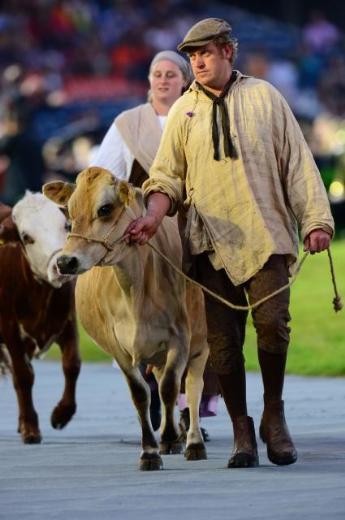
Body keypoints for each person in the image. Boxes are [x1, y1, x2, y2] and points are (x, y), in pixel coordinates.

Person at [125, 18, 334, 468]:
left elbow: (298, 162)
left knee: (274, 324)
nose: (197, 61)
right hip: (207, 244)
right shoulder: (183, 111)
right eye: (191, 55)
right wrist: (151, 217)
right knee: (221, 343)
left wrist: (315, 220)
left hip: (268, 232)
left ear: (228, 53)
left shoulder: (265, 97)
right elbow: (165, 179)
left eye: (205, 52)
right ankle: (242, 428)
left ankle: (273, 416)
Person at [92, 49, 219, 438]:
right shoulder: (127, 124)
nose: (162, 80)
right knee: (144, 312)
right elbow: (103, 176)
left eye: (170, 74)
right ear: (148, 80)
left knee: (201, 314)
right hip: (146, 233)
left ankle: (189, 406)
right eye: (156, 74)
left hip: (197, 227)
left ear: (185, 80)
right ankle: (154, 398)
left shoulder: (203, 115)